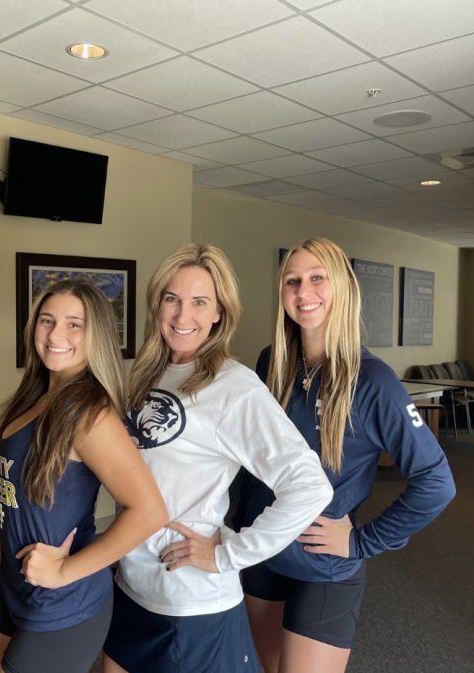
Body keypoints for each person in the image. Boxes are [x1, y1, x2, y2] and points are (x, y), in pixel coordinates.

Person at [101, 243, 334, 673]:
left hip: (192, 603)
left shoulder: (233, 387)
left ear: (218, 314)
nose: (182, 314)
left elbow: (309, 485)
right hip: (131, 585)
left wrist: (229, 554)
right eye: (171, 298)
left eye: (199, 302)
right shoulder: (143, 373)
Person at [235, 238, 457, 673]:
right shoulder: (271, 363)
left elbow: (436, 482)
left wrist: (362, 541)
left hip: (323, 565)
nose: (304, 292)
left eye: (317, 278)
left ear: (343, 288)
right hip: (261, 551)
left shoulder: (374, 381)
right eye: (292, 281)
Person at [0, 279, 169, 673]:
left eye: (74, 324)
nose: (56, 334)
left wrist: (63, 571)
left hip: (64, 603)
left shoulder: (89, 415)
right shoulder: (32, 400)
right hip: (13, 588)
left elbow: (149, 511)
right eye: (47, 320)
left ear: (96, 336)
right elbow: (9, 508)